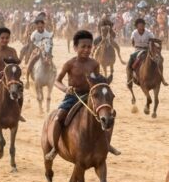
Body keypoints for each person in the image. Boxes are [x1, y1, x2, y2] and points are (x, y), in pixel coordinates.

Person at [45, 30, 121, 161]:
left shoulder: (94, 64)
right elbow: (56, 81)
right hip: (72, 97)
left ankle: (106, 144)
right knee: (58, 118)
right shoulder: (70, 64)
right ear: (75, 48)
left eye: (89, 47)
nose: (86, 50)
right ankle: (55, 148)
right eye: (83, 47)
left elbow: (96, 80)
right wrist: (65, 89)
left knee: (108, 116)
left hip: (90, 96)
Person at [126, 18, 168, 86]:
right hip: (137, 50)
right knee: (129, 62)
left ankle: (162, 78)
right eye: (140, 25)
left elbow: (153, 41)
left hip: (147, 50)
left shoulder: (148, 33)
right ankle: (129, 78)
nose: (141, 26)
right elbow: (133, 43)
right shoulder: (134, 33)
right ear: (137, 26)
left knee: (159, 60)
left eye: (142, 25)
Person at [26, 19, 54, 85]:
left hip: (46, 51)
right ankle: (27, 79)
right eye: (38, 27)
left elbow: (50, 43)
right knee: (31, 61)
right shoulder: (34, 34)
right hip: (36, 51)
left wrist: (48, 51)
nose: (40, 28)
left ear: (44, 26)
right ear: (36, 27)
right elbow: (32, 42)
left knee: (51, 63)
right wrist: (39, 47)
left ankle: (52, 77)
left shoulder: (47, 34)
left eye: (41, 27)